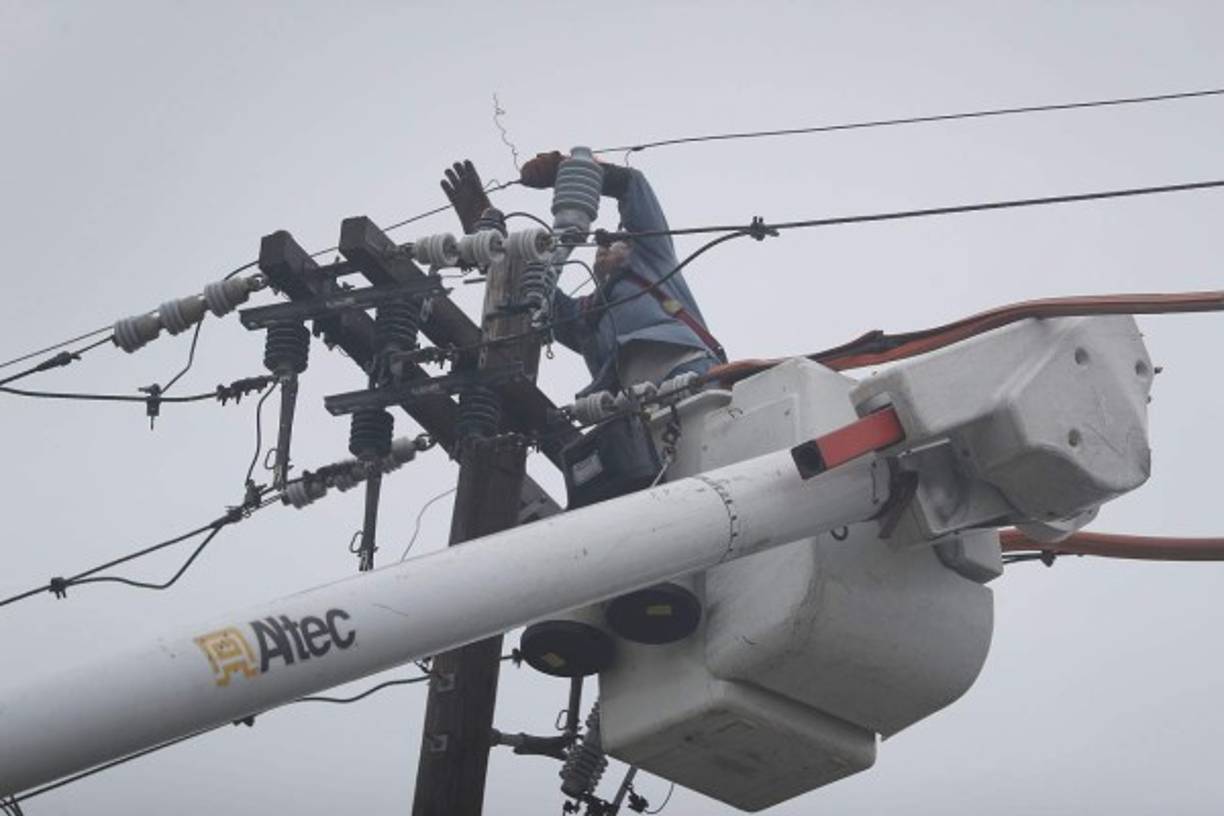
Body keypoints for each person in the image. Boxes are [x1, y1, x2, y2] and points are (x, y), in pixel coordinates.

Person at [519, 151, 725, 398]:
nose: (603, 244)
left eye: (616, 239)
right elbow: (530, 289)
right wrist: (486, 232)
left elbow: (632, 184)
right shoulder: (584, 315)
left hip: (689, 371)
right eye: (601, 245)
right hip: (632, 404)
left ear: (632, 246)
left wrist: (568, 169)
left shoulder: (653, 260)